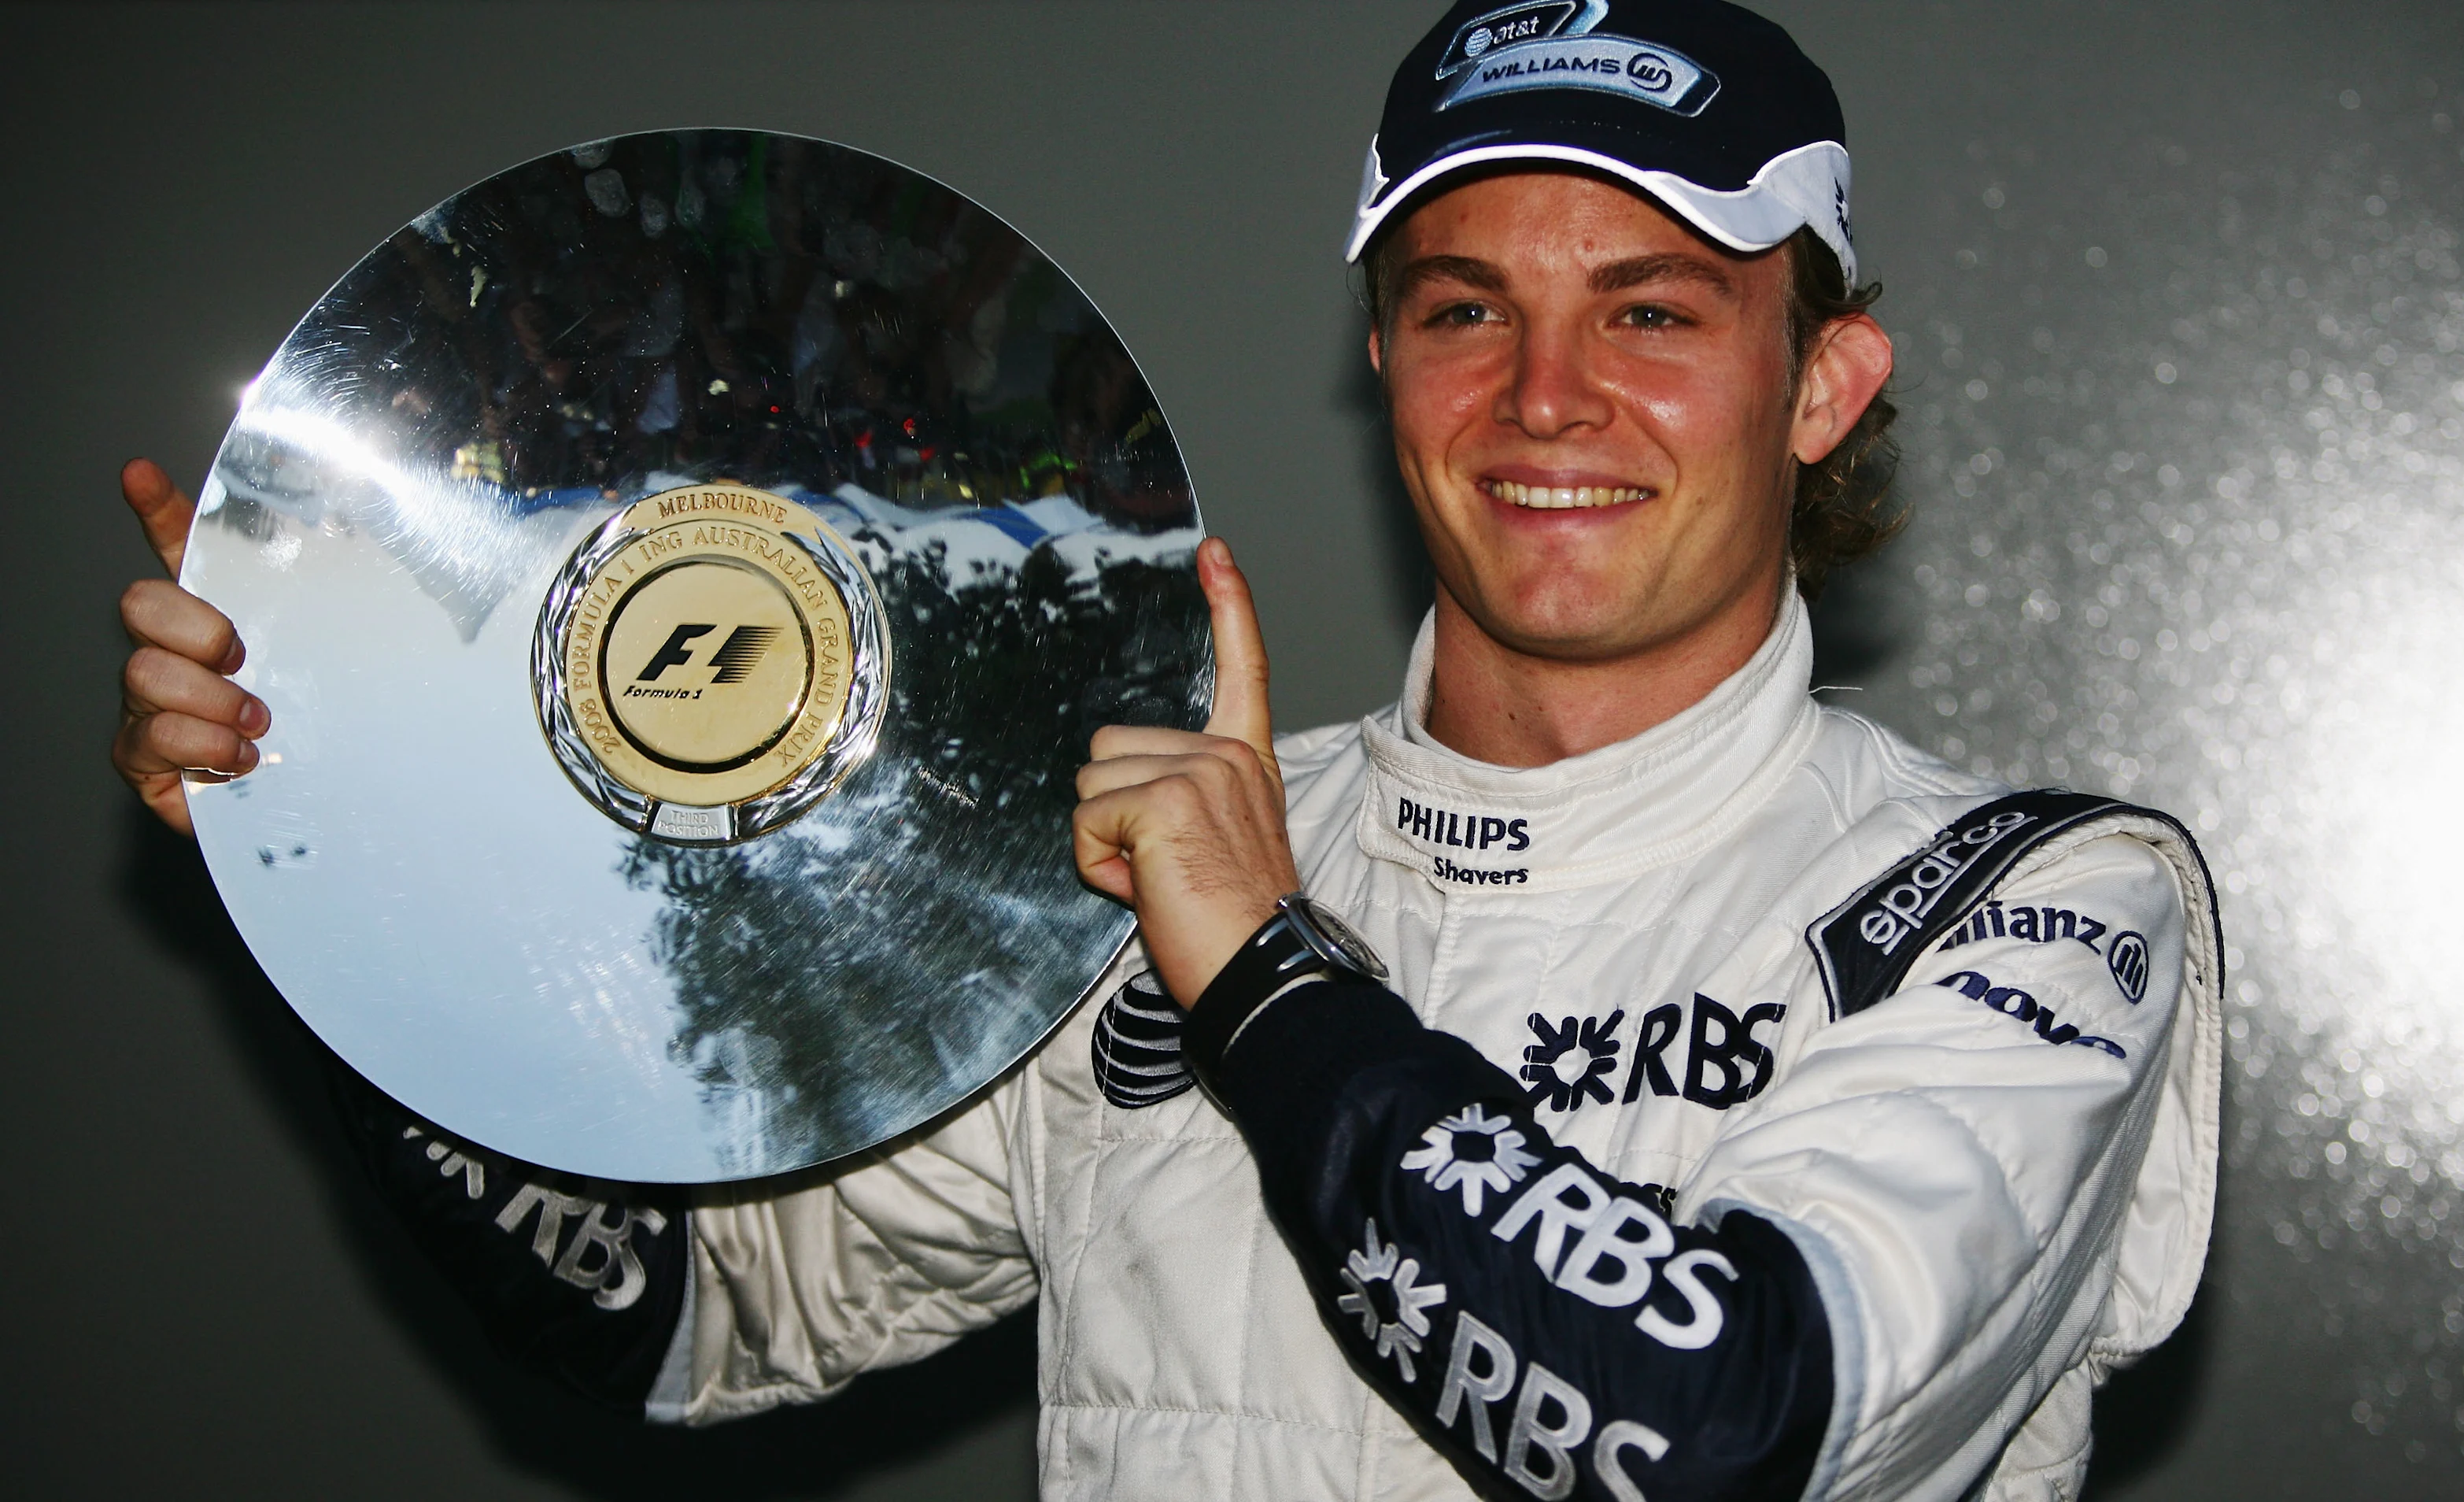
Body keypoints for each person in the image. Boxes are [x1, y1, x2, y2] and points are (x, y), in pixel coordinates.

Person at [111, 2, 2222, 1497]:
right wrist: (332, 864)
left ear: (1826, 383)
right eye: (1464, 306)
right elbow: (675, 1312)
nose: (1546, 396)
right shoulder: (1164, 852)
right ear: (1387, 360)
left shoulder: (2036, 898)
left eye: (1656, 310)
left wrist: (1270, 976)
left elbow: (1713, 1422)